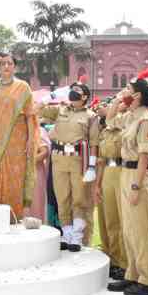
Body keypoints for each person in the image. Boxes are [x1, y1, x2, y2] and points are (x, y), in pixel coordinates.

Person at [106, 68, 148, 295]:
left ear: (138, 96)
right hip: (124, 174)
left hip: (137, 175)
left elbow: (145, 156)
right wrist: (117, 100)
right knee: (128, 229)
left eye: (128, 89)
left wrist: (137, 186)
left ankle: (146, 279)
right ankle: (132, 275)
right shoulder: (130, 116)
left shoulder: (146, 120)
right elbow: (109, 120)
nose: (124, 91)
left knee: (140, 230)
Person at [36, 76, 99, 251]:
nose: (72, 93)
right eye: (71, 90)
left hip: (78, 160)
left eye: (77, 91)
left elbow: (94, 143)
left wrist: (92, 166)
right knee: (62, 197)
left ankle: (77, 237)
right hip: (58, 157)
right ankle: (67, 233)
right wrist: (53, 95)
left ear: (85, 96)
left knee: (78, 199)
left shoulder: (91, 116)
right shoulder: (60, 110)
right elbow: (37, 109)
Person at [0, 53, 39, 220]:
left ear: (15, 67)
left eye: (10, 63)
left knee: (14, 177)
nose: (6, 66)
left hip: (17, 139)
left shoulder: (23, 87)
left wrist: (30, 140)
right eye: (3, 64)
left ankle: (13, 217)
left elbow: (30, 114)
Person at [95, 97, 127, 281]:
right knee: (108, 220)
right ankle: (112, 259)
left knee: (121, 220)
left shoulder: (125, 125)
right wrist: (97, 185)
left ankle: (123, 262)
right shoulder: (105, 131)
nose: (106, 108)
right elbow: (101, 160)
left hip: (122, 172)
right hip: (107, 172)